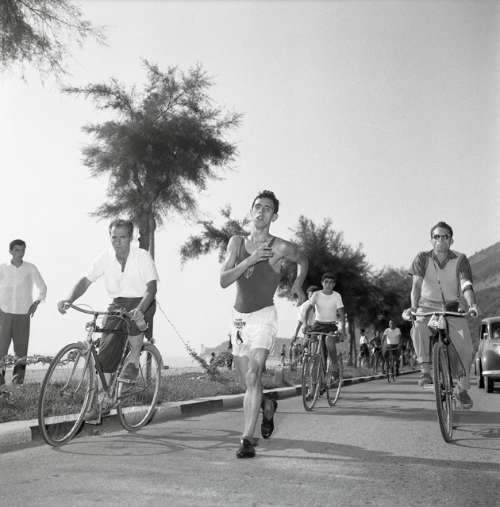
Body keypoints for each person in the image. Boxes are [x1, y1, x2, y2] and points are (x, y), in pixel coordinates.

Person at [220, 190, 307, 458]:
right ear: (251, 211)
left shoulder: (280, 247)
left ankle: (246, 439)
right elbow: (223, 280)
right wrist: (250, 259)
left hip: (264, 317)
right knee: (247, 382)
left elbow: (303, 258)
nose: (261, 211)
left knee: (253, 374)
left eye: (267, 208)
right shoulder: (236, 242)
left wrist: (298, 284)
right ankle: (267, 403)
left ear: (274, 216)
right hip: (239, 319)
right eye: (257, 206)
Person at [57, 219, 159, 422]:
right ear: (109, 237)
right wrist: (69, 299)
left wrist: (140, 309)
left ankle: (134, 359)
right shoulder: (105, 257)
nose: (118, 241)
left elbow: (151, 288)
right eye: (114, 237)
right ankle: (102, 401)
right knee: (105, 354)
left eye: (123, 237)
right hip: (117, 304)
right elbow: (86, 280)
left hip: (142, 301)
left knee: (134, 321)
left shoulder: (142, 256)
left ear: (130, 238)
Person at [403, 221, 478, 409]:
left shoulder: (460, 259)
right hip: (426, 307)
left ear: (451, 240)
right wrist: (413, 307)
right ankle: (425, 371)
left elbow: (466, 285)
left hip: (452, 308)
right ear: (431, 240)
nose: (440, 240)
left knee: (466, 348)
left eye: (445, 236)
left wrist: (472, 304)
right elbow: (416, 285)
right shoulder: (422, 258)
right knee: (418, 326)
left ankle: (462, 389)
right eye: (436, 236)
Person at [0, 239, 47, 385]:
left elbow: (43, 287)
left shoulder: (30, 268)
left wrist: (36, 303)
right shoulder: (2, 268)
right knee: (1, 350)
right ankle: (0, 384)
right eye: (17, 250)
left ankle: (17, 383)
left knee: (21, 352)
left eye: (23, 250)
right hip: (3, 313)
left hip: (23, 314)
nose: (20, 253)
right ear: (10, 251)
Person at [307, 272, 346, 371]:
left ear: (334, 284)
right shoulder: (316, 294)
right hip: (317, 324)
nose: (328, 284)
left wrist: (343, 330)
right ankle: (313, 362)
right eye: (326, 282)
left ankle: (334, 365)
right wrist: (305, 324)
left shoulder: (337, 296)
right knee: (312, 338)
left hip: (331, 325)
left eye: (331, 282)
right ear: (322, 283)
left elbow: (342, 314)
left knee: (329, 341)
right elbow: (308, 310)